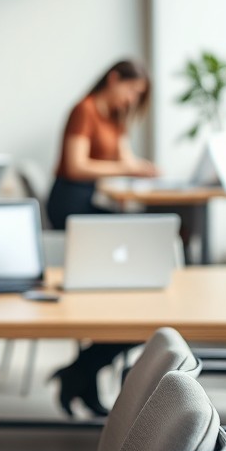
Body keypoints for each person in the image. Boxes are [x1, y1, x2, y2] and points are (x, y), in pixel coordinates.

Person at [47, 58, 157, 418]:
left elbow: (125, 158)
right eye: (131, 90)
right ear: (113, 79)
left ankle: (82, 371)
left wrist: (140, 167)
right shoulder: (84, 110)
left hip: (93, 206)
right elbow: (76, 165)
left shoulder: (115, 116)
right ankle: (84, 370)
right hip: (70, 206)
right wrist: (126, 167)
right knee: (138, 263)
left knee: (138, 283)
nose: (131, 99)